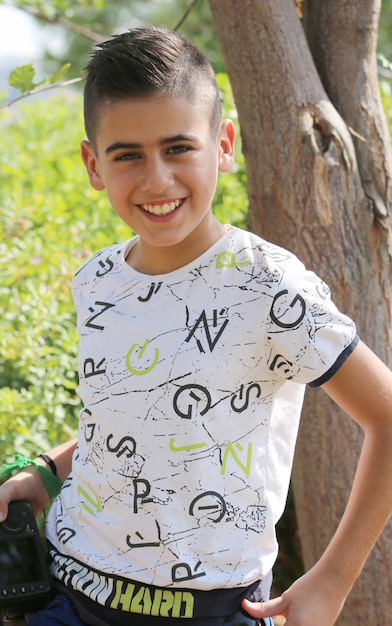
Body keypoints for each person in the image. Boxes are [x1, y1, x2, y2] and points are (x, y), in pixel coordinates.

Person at [0, 26, 391, 626]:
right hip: (70, 593)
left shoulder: (269, 287)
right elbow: (134, 416)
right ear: (93, 164)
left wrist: (331, 583)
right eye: (127, 154)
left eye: (178, 147)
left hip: (211, 610)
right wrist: (49, 471)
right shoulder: (97, 280)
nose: (156, 180)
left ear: (224, 145)